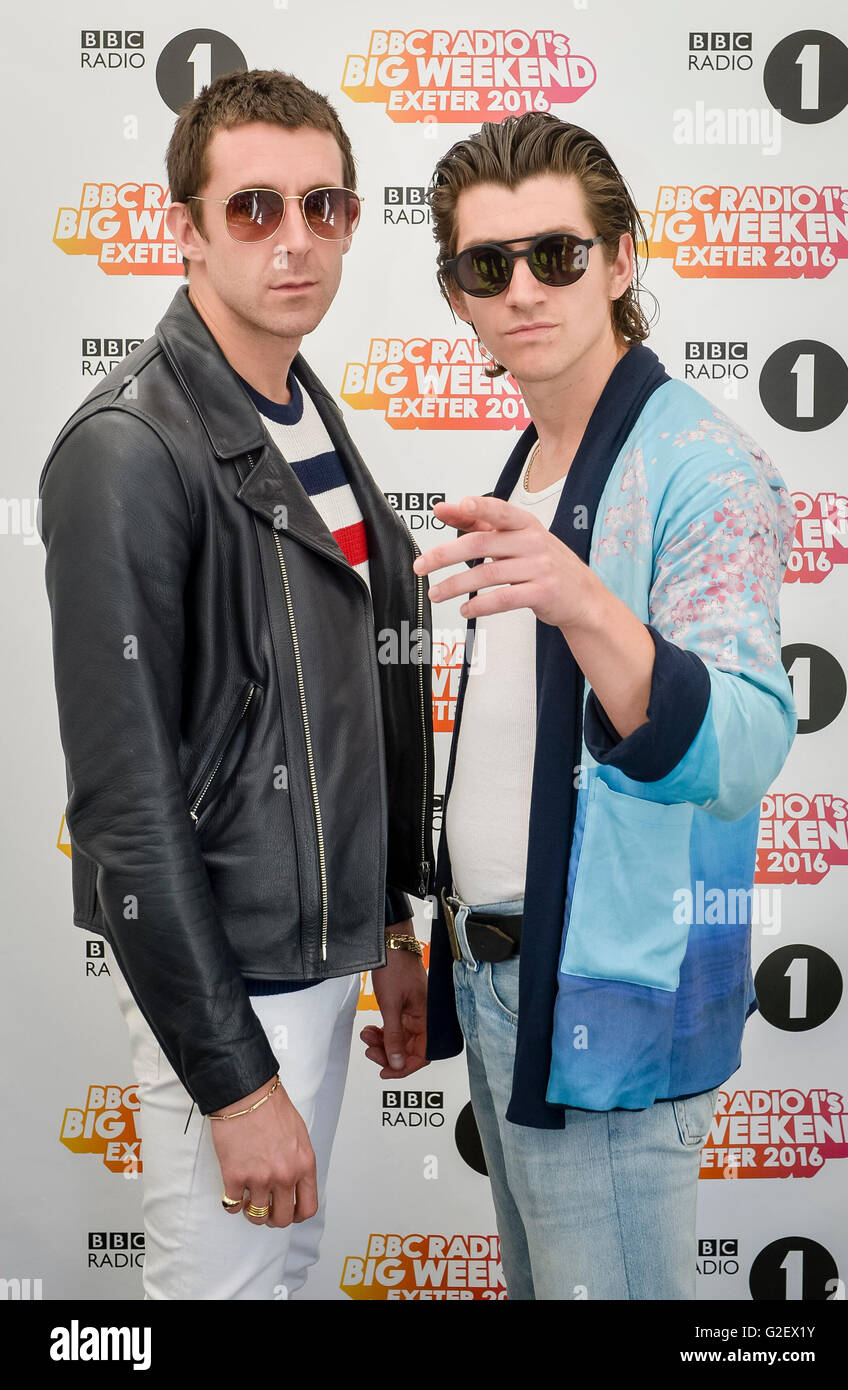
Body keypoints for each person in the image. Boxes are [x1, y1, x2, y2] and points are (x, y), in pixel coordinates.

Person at [39, 68, 434, 1301]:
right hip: (236, 990)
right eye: (254, 208)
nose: (297, 239)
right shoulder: (129, 448)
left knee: (281, 1276)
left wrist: (388, 928)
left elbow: (340, 714)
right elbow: (123, 803)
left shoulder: (301, 411)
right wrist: (234, 1077)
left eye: (325, 206)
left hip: (318, 959)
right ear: (186, 229)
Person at [417, 112, 796, 1300]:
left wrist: (587, 604)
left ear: (620, 261)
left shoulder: (702, 467)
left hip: (607, 1002)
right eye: (489, 267)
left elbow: (741, 742)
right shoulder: (529, 459)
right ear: (460, 298)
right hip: (499, 987)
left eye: (558, 254)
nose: (524, 287)